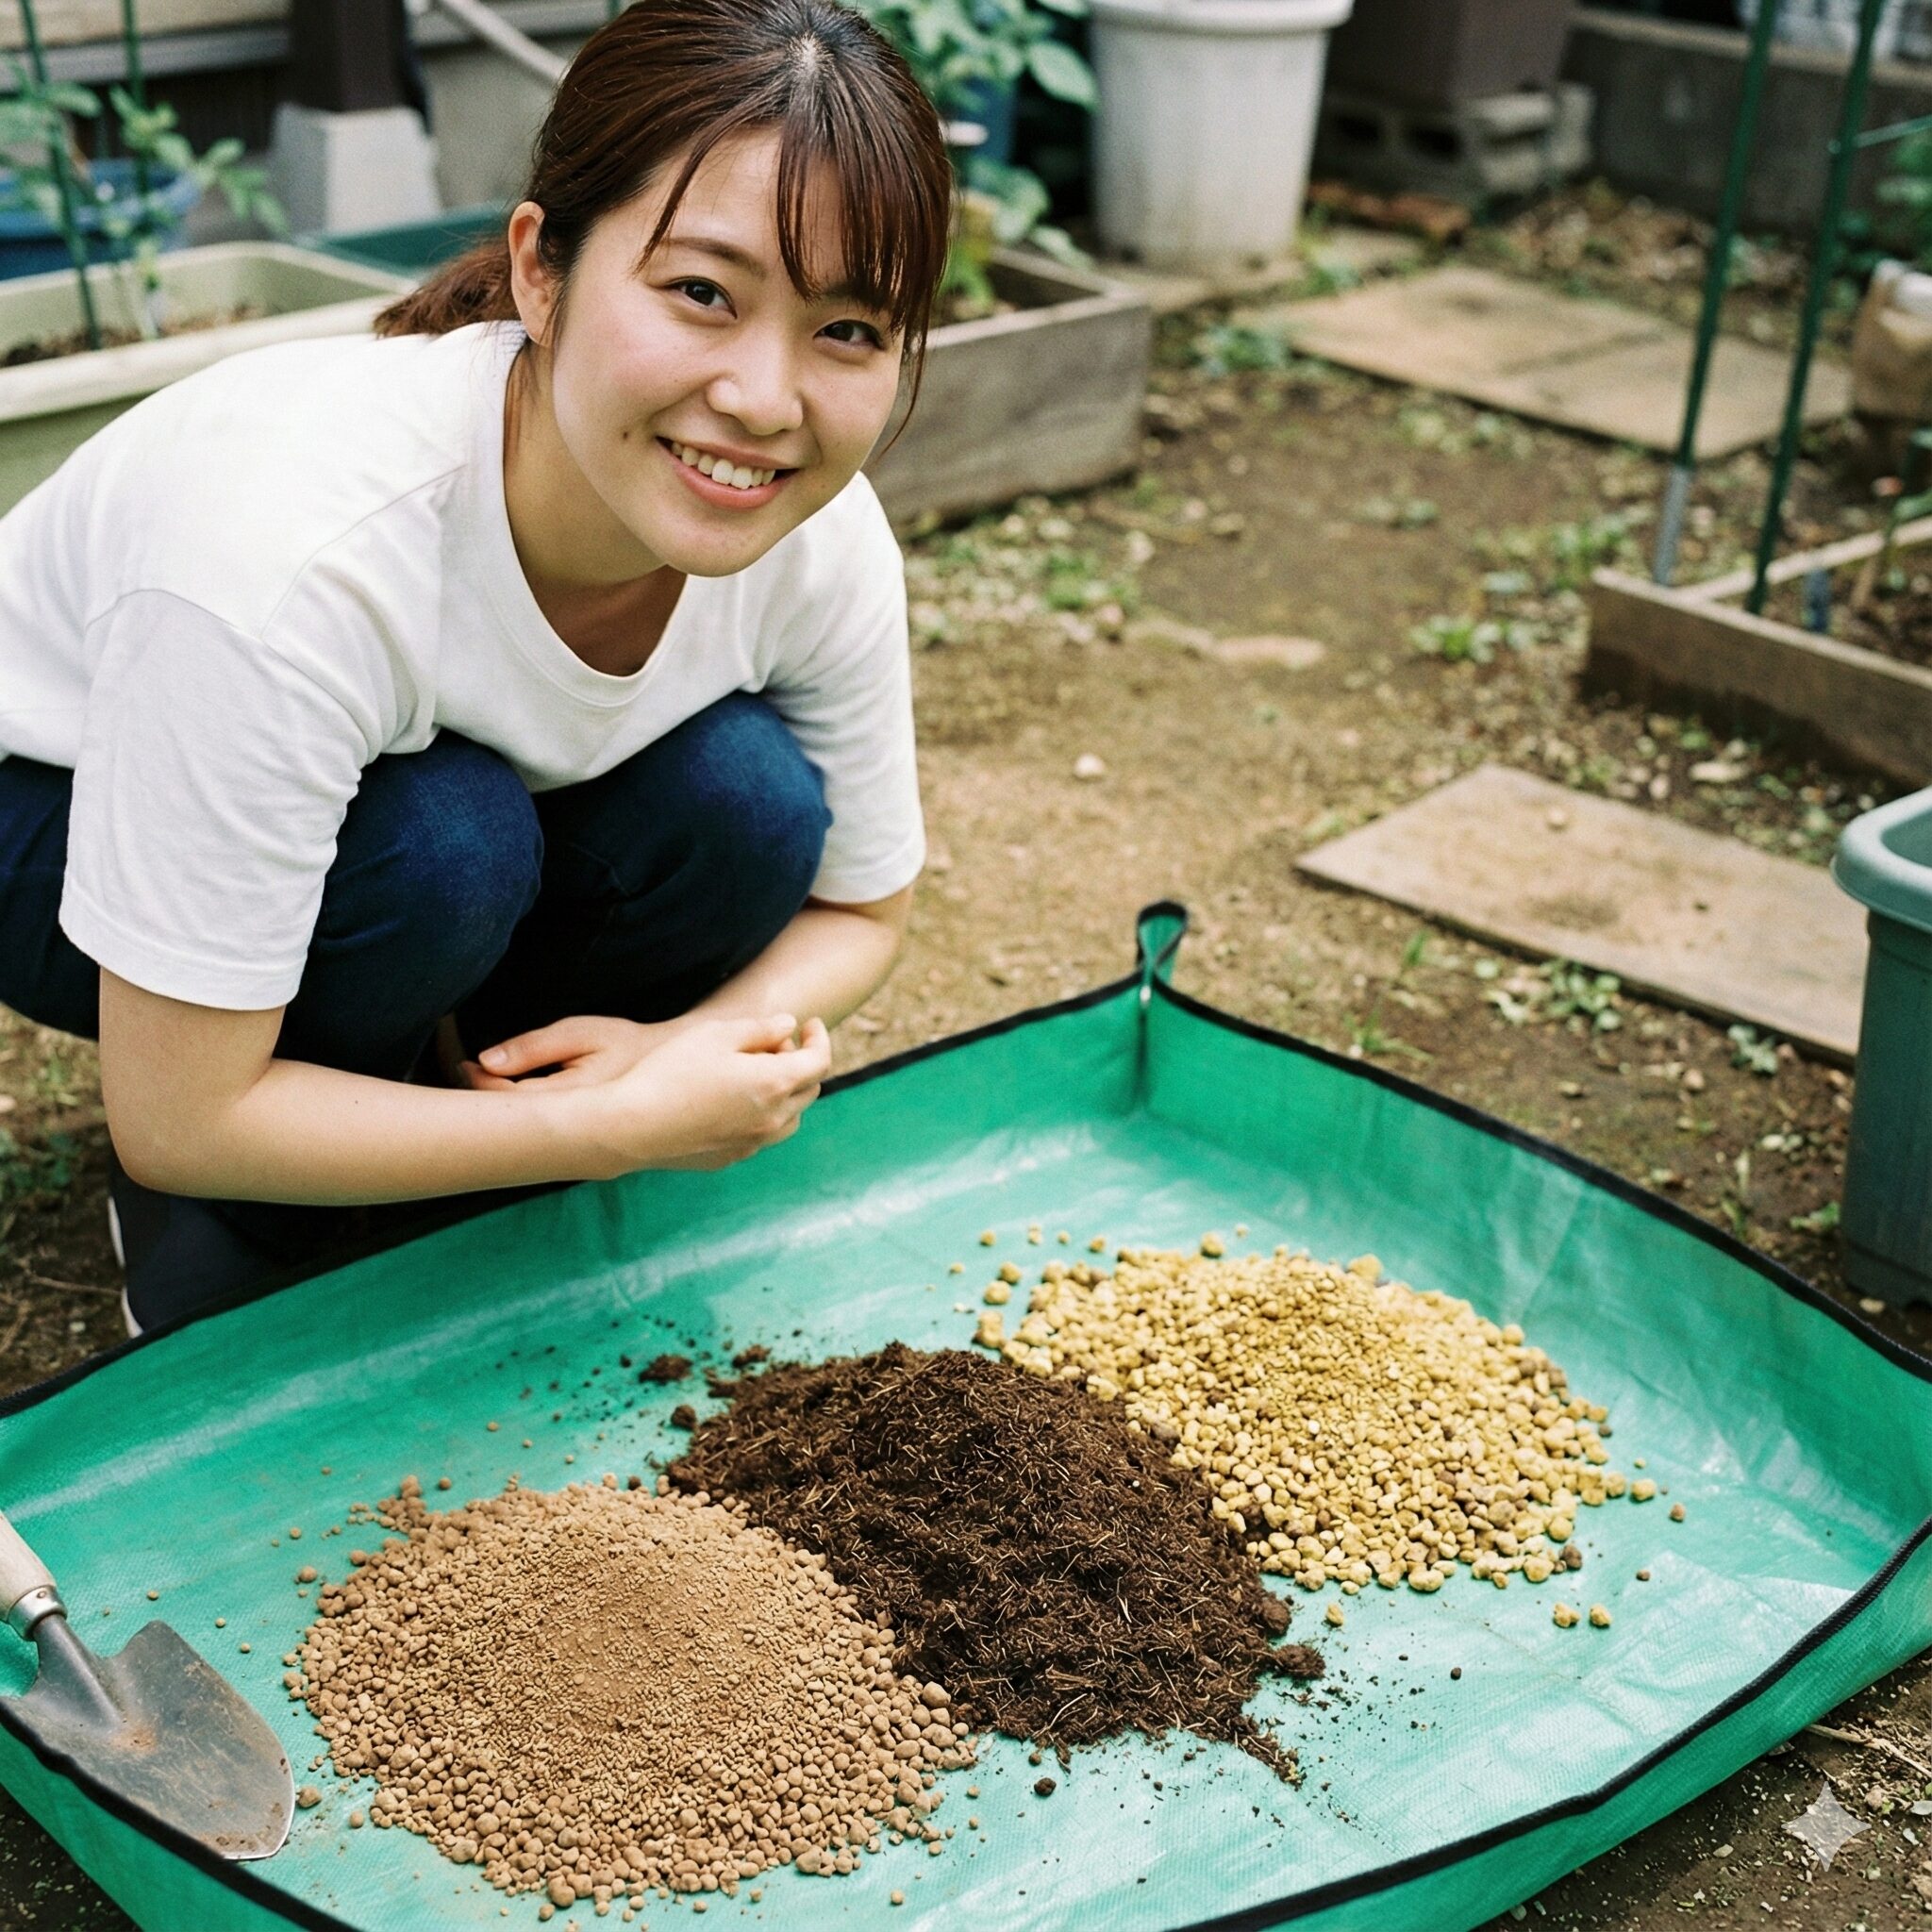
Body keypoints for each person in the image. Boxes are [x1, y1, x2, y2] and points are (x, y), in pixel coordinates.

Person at [0, 0, 953, 1333]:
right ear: (542, 271)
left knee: (750, 804)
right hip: (44, 802)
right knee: (447, 843)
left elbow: (862, 911)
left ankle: (447, 1108)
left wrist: (679, 1054)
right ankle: (254, 1220)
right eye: (701, 294)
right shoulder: (293, 554)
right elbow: (179, 1116)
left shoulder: (819, 538)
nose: (763, 398)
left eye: (846, 329)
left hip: (400, 813)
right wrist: (612, 1129)